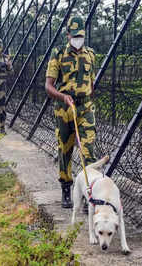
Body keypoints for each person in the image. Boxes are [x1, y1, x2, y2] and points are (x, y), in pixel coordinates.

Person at [45, 16, 97, 208]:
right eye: (74, 36)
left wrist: (88, 99)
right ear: (68, 35)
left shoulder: (90, 54)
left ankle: (88, 194)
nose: (78, 39)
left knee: (88, 151)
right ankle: (66, 189)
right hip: (65, 109)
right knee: (65, 150)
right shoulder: (58, 54)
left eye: (81, 36)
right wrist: (62, 96)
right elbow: (48, 86)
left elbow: (92, 82)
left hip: (85, 107)